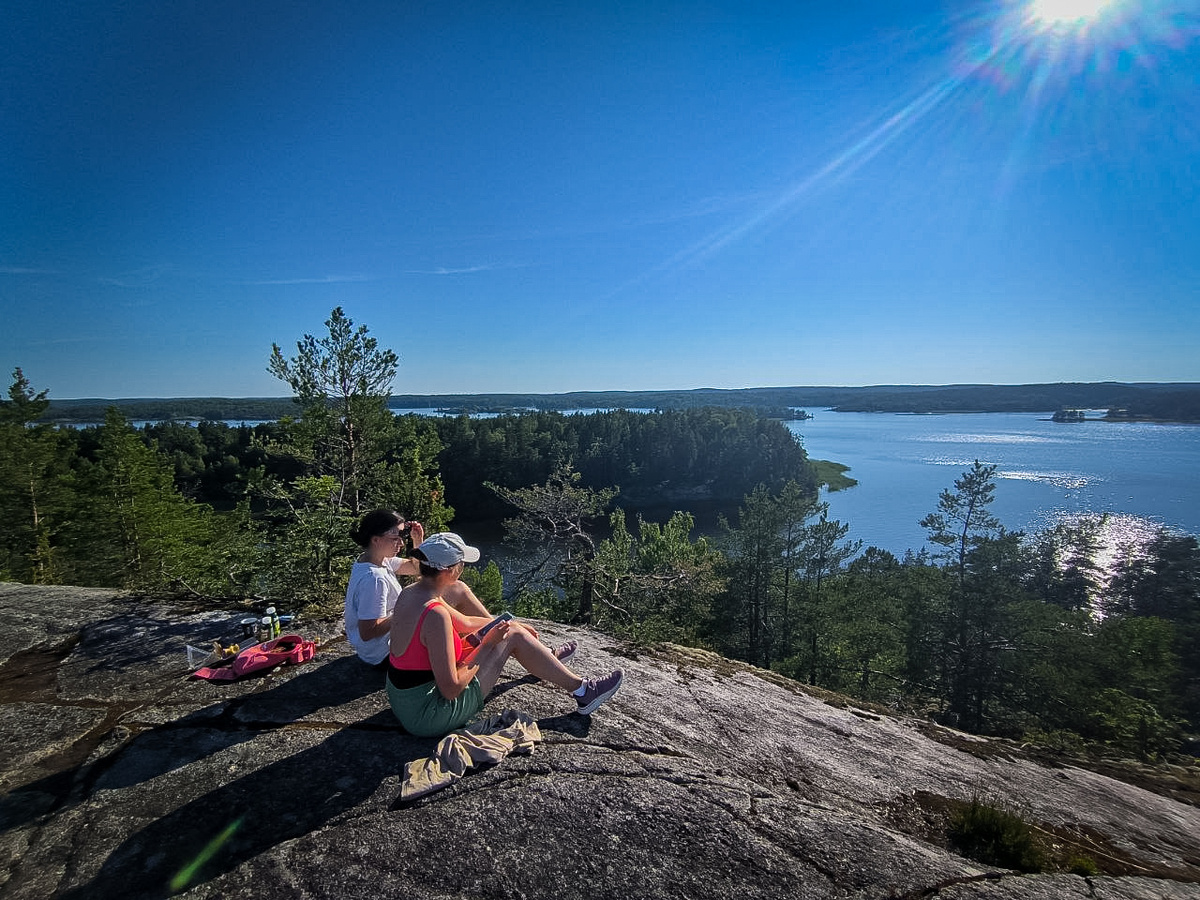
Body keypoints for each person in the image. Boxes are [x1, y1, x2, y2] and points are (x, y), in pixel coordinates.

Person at [387, 532, 623, 737]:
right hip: (428, 715)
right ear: (450, 571)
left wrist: (510, 623)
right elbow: (451, 689)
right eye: (461, 564)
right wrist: (488, 645)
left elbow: (467, 622)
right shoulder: (435, 615)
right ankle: (583, 691)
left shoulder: (413, 592)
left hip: (407, 701)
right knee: (511, 638)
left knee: (513, 632)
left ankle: (550, 665)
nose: (463, 568)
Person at [344, 509, 427, 667]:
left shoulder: (375, 560)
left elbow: (416, 568)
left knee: (453, 591)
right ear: (376, 540)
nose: (401, 543)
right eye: (395, 538)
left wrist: (418, 541)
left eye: (401, 537)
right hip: (382, 654)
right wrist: (406, 611)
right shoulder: (374, 578)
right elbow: (368, 633)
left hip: (381, 647)